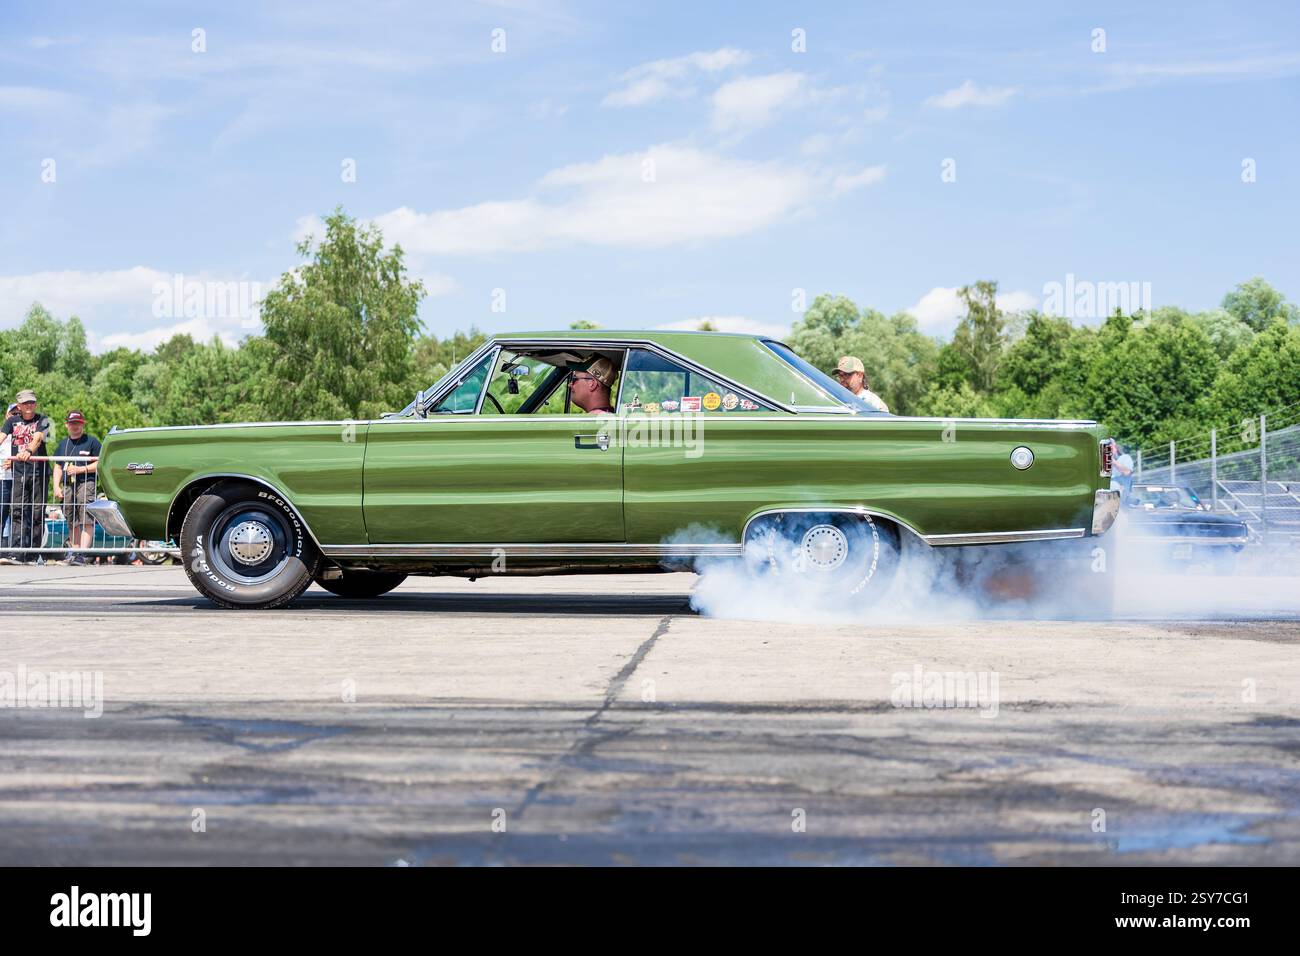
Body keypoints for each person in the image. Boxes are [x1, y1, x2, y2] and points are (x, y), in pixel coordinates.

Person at [2, 390, 52, 564]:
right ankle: (16, 553)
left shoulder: (43, 420)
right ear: (19, 406)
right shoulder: (11, 421)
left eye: (32, 402)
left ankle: (32, 554)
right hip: (19, 473)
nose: (29, 406)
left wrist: (29, 450)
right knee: (17, 511)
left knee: (37, 513)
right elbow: (1, 437)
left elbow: (38, 438)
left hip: (39, 472)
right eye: (25, 403)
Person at [52, 410, 101, 567]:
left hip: (86, 484)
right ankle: (74, 554)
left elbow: (100, 463)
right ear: (66, 425)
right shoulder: (62, 444)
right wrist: (56, 486)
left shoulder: (92, 442)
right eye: (72, 423)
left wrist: (81, 470)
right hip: (68, 486)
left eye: (78, 423)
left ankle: (83, 554)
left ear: (83, 424)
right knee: (71, 520)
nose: (75, 426)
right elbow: (58, 466)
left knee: (86, 518)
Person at [0, 403, 16, 556]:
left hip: (19, 478)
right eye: (12, 413)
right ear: (6, 415)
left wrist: (14, 461)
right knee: (2, 514)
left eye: (18, 413)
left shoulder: (24, 436)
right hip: (2, 479)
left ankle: (16, 550)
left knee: (19, 514)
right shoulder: (2, 434)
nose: (14, 416)